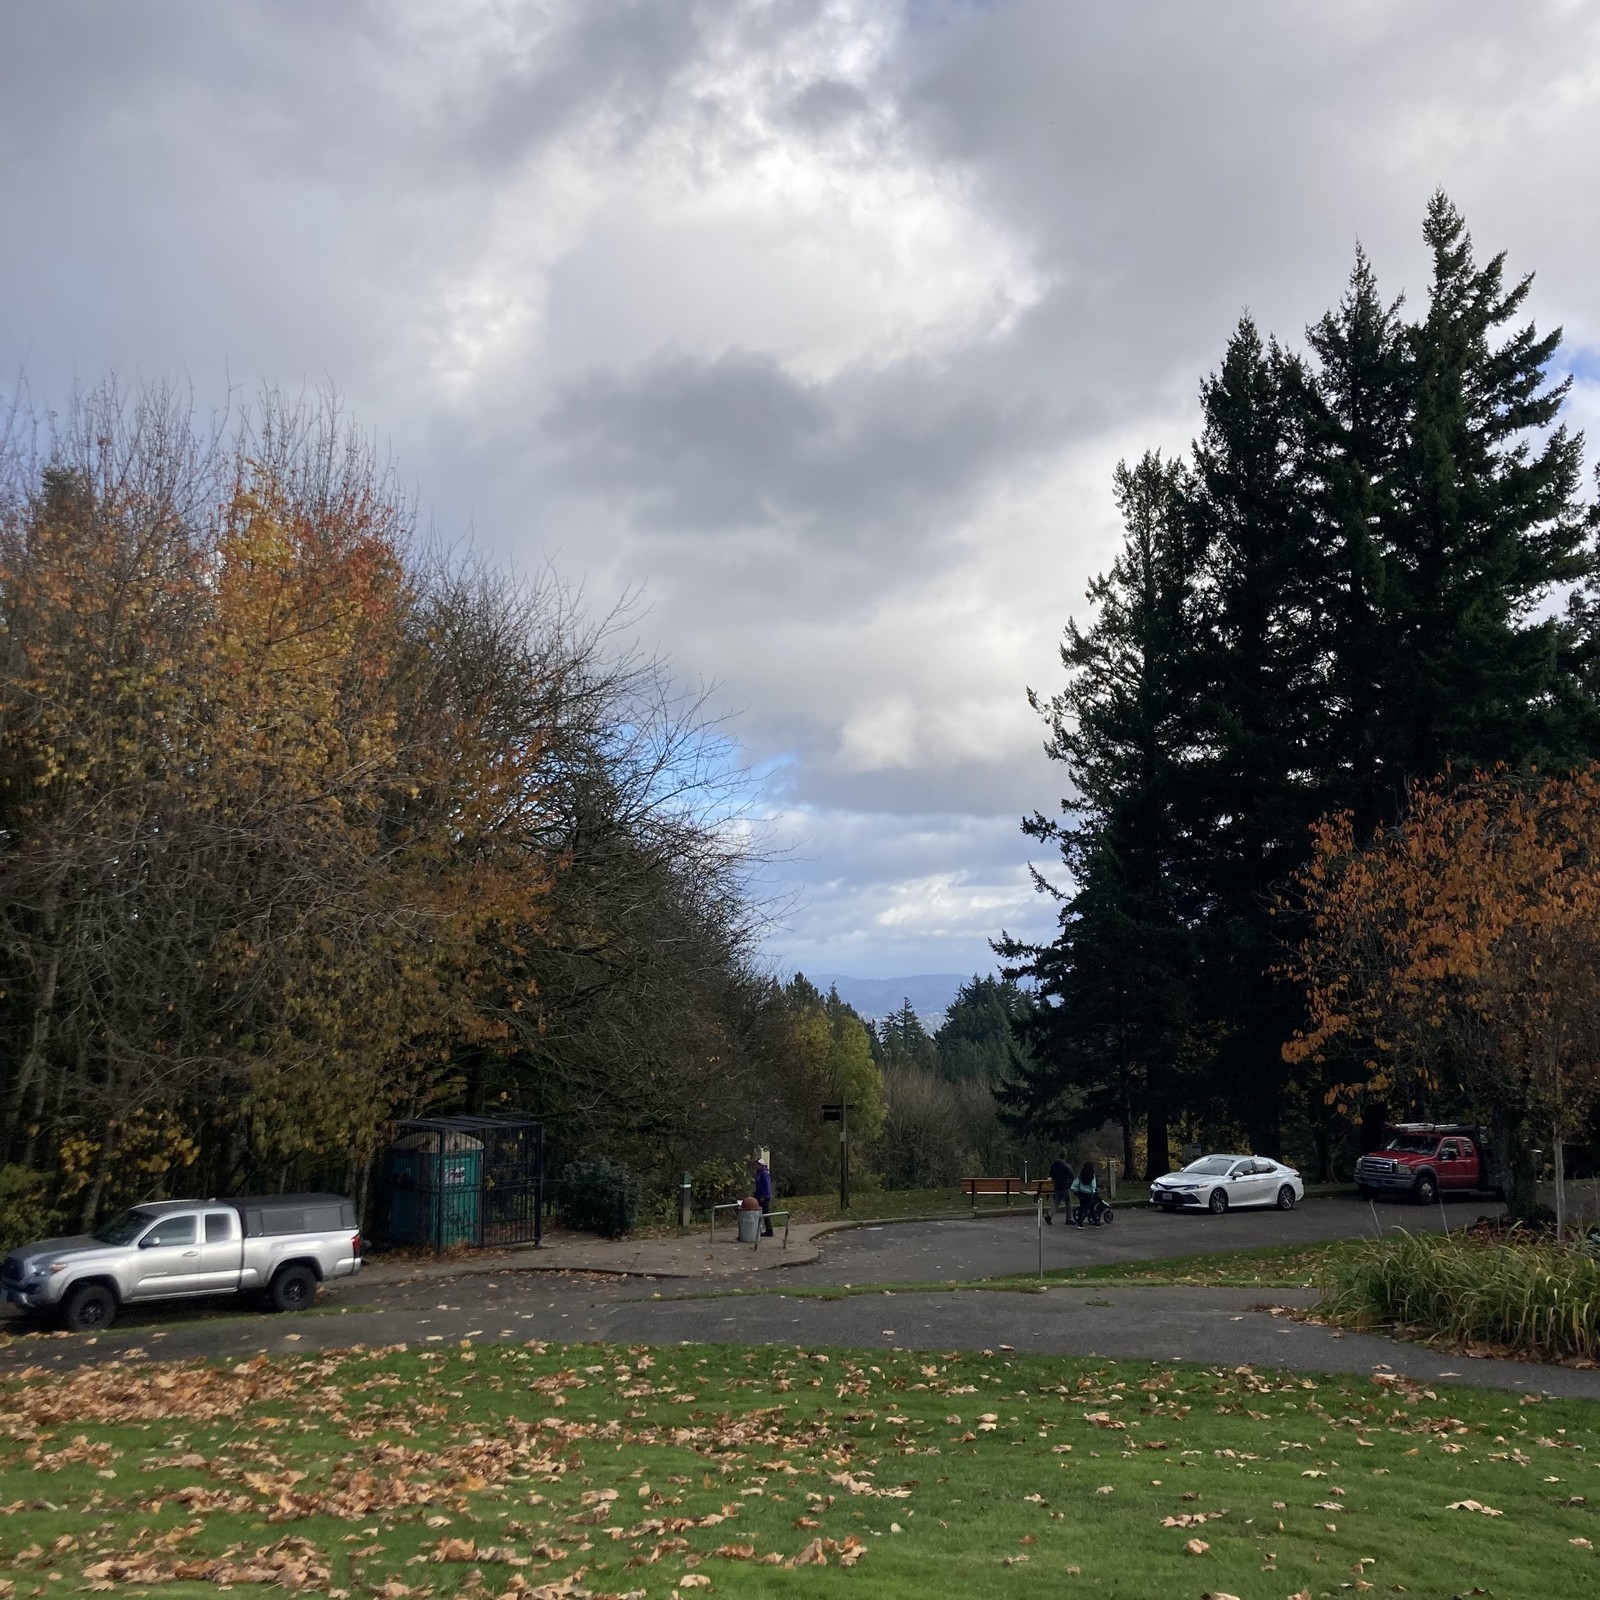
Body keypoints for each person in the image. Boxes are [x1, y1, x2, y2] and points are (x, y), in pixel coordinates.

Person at [1070, 1160, 1099, 1228]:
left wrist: (1075, 1190)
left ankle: (1080, 1223)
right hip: (1089, 1193)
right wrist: (1094, 1191)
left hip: (1082, 1193)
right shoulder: (1092, 1175)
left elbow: (1076, 1183)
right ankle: (1096, 1222)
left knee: (1082, 1208)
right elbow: (1093, 1185)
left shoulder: (1081, 1174)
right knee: (1091, 1208)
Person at [1047, 1153, 1073, 1225]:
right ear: (1065, 1156)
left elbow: (1050, 1174)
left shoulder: (1054, 1165)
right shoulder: (1066, 1166)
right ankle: (1068, 1219)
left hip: (1057, 1186)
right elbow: (1071, 1175)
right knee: (1068, 1202)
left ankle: (1049, 1215)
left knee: (1056, 1202)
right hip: (1065, 1186)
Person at [754, 1149, 774, 1236]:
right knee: (762, 1213)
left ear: (760, 1165)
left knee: (765, 1214)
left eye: (757, 1165)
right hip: (760, 1196)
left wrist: (763, 1196)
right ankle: (762, 1229)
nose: (756, 1166)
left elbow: (766, 1186)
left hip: (764, 1196)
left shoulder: (764, 1173)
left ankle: (769, 1230)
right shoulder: (759, 1173)